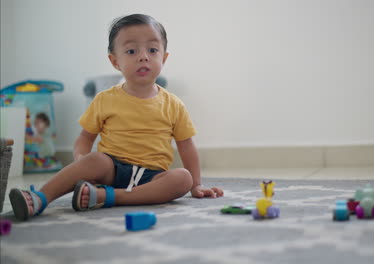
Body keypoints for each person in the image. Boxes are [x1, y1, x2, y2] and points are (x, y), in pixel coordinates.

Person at [9, 14, 223, 221]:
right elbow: (85, 138)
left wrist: (196, 185)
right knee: (94, 160)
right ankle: (40, 198)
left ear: (164, 58)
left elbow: (186, 145)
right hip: (111, 169)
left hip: (152, 177)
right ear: (115, 61)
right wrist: (81, 160)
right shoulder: (104, 99)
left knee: (182, 178)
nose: (143, 56)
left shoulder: (174, 104)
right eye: (131, 51)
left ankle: (107, 197)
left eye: (152, 50)